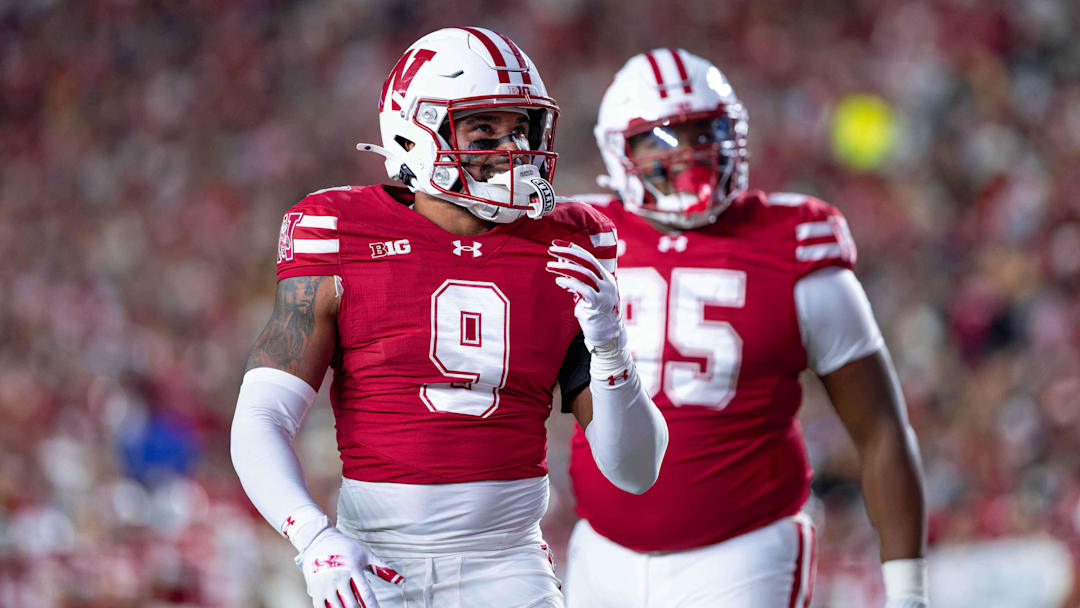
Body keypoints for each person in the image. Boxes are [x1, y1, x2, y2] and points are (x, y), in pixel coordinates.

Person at [229, 28, 668, 608]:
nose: (512, 149)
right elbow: (262, 412)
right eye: (484, 129)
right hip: (375, 561)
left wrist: (611, 349)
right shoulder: (338, 229)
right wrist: (313, 538)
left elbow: (634, 470)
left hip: (510, 563)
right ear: (414, 131)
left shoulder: (574, 240)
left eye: (521, 128)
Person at [563, 48, 928, 608]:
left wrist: (909, 593)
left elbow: (880, 430)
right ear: (618, 150)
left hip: (743, 551)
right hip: (601, 550)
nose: (687, 154)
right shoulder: (577, 240)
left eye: (703, 132)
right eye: (660, 138)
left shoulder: (795, 248)